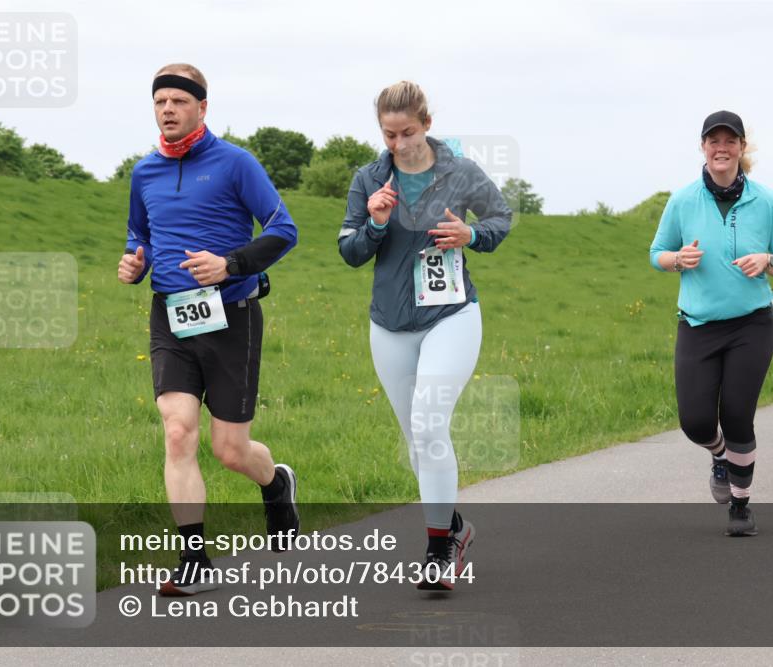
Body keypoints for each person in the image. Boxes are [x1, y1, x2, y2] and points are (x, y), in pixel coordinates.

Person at [118, 63, 300, 595]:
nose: (168, 109)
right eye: (160, 102)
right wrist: (136, 262)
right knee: (177, 431)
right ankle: (195, 560)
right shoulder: (144, 171)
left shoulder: (235, 163)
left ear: (202, 106)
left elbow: (284, 230)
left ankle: (277, 482)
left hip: (231, 316)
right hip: (170, 313)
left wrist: (232, 264)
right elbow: (140, 234)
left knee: (229, 450)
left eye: (178, 101)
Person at [338, 81, 512, 590]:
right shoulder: (369, 178)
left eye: (407, 132)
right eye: (388, 134)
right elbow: (348, 250)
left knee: (430, 424)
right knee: (417, 439)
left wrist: (471, 235)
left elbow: (501, 219)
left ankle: (439, 549)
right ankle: (456, 527)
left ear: (427, 124)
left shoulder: (459, 171)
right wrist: (373, 223)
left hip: (451, 316)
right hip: (389, 323)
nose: (398, 144)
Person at [649, 110, 773, 537]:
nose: (721, 148)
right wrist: (676, 259)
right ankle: (719, 455)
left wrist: (769, 260)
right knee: (695, 421)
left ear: (741, 147)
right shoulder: (683, 200)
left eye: (729, 141)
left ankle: (740, 504)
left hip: (752, 325)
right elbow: (656, 253)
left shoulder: (765, 200)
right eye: (713, 141)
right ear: (703, 148)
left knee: (737, 415)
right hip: (697, 324)